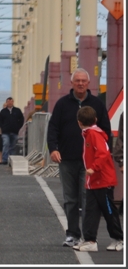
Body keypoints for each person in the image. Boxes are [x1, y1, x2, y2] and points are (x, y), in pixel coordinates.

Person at [47, 68, 111, 247]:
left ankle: (88, 237)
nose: (81, 83)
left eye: (84, 80)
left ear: (88, 83)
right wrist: (53, 149)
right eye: (77, 81)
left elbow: (106, 131)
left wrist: (104, 158)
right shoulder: (62, 104)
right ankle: (72, 234)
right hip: (67, 159)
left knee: (87, 199)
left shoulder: (97, 104)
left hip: (89, 163)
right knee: (70, 199)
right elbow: (53, 128)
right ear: (72, 83)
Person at [74, 106, 124, 252]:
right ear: (95, 120)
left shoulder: (93, 135)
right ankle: (90, 240)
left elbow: (102, 154)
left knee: (109, 211)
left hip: (102, 180)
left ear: (79, 122)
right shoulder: (90, 134)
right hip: (94, 181)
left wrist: (93, 168)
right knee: (90, 210)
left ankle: (118, 238)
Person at [0, 97, 24, 165]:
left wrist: (18, 127)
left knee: (13, 146)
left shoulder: (17, 111)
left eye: (10, 101)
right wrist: (3, 127)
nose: (9, 103)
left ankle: (12, 159)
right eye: (8, 101)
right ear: (6, 102)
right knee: (6, 143)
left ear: (13, 102)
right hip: (5, 132)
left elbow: (21, 119)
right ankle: (4, 159)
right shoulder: (3, 111)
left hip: (14, 132)